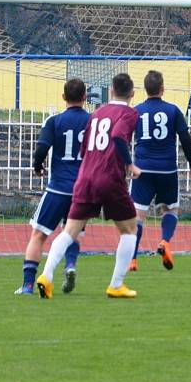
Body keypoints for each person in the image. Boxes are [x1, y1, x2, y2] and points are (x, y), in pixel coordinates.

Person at [36, 73, 141, 299]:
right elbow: (119, 137)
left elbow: (85, 150)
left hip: (85, 177)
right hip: (110, 178)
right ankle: (116, 284)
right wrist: (129, 166)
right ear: (132, 94)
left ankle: (46, 276)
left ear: (110, 91)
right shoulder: (130, 113)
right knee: (130, 229)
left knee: (69, 231)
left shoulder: (97, 114)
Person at [15, 79, 89, 295]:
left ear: (63, 97)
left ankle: (28, 285)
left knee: (38, 235)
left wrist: (37, 167)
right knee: (73, 233)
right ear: (85, 97)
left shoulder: (54, 121)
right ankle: (70, 265)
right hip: (82, 190)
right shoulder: (93, 122)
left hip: (58, 188)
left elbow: (41, 149)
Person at [128, 70, 191, 272]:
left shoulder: (136, 111)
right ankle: (165, 241)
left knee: (137, 216)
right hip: (167, 169)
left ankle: (132, 259)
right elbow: (186, 140)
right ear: (162, 89)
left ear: (145, 89)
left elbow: (123, 139)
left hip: (142, 169)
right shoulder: (173, 111)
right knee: (170, 209)